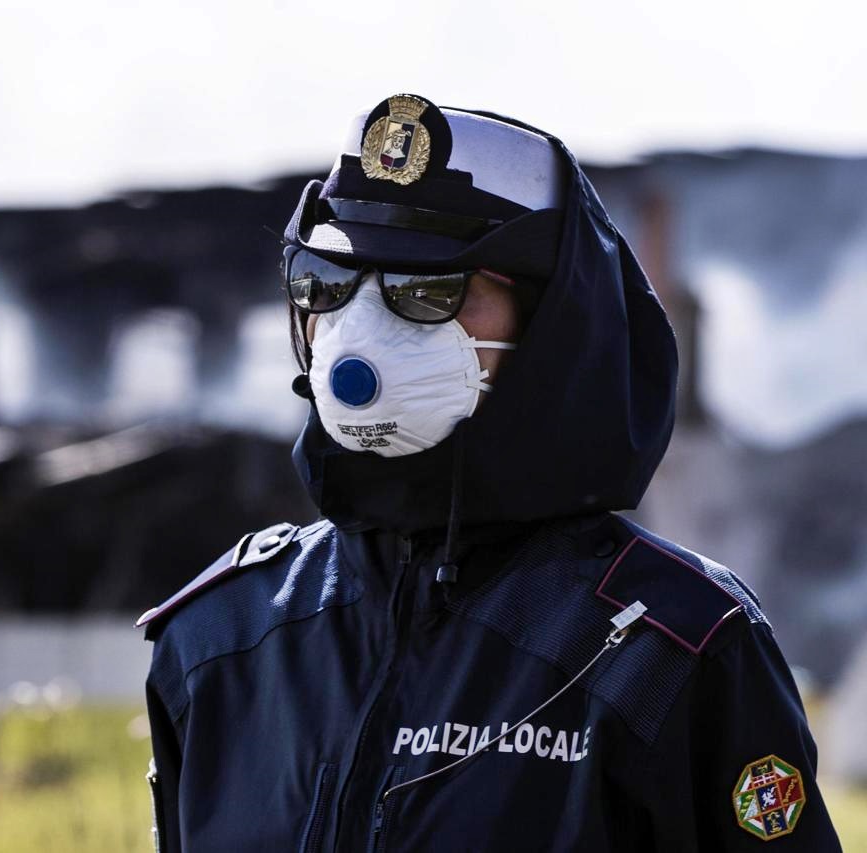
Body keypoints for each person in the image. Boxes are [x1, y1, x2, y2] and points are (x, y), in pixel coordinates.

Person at [135, 93, 842, 852]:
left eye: (426, 292)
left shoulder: (670, 653)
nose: (358, 330)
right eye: (329, 283)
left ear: (550, 324)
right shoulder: (221, 638)